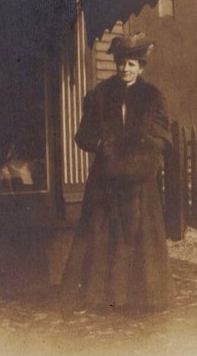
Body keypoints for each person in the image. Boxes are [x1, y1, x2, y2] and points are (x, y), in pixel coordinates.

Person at [59, 32, 175, 314]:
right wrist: (103, 146)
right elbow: (82, 135)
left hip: (140, 179)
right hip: (106, 179)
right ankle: (102, 297)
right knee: (103, 234)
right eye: (121, 63)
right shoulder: (101, 95)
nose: (125, 69)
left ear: (141, 67)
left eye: (132, 64)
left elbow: (163, 136)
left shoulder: (152, 98)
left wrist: (145, 155)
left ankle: (142, 298)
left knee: (141, 238)